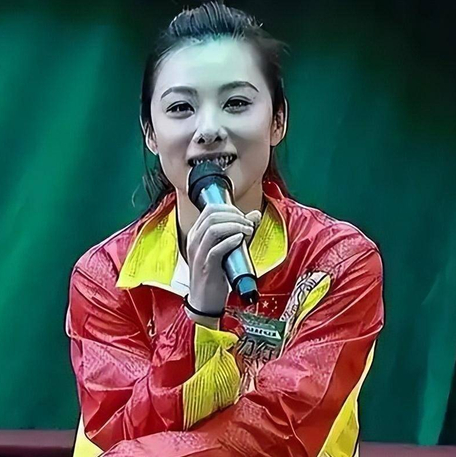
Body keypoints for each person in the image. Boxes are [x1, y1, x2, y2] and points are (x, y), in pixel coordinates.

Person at [65, 2, 384, 456]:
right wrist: (199, 314)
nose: (209, 129)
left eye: (236, 103)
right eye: (181, 107)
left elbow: (277, 433)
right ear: (150, 132)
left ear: (278, 120)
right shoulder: (104, 278)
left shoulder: (336, 262)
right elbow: (117, 430)